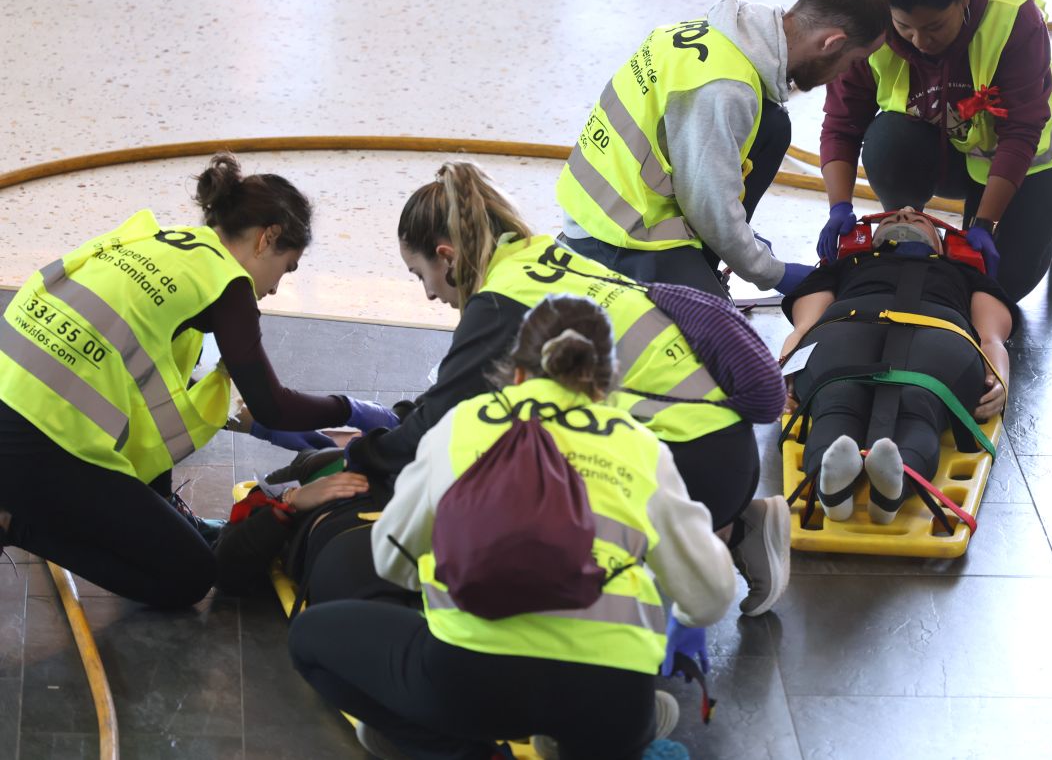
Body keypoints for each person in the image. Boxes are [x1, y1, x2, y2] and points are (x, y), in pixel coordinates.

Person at [289, 295, 735, 760]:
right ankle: (615, 739)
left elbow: (392, 558)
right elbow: (710, 595)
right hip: (609, 690)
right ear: (606, 385)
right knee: (624, 716)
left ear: (517, 371)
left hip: (473, 684)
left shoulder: (462, 425)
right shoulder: (641, 447)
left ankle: (455, 751)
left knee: (311, 641)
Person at [344, 160, 789, 616]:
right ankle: (737, 528)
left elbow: (441, 423)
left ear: (446, 256)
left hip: (691, 462)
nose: (429, 295)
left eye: (421, 275)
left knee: (524, 487)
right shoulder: (539, 254)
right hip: (721, 447)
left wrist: (361, 458)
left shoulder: (501, 301)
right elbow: (455, 391)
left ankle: (666, 582)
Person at [0, 153, 397, 609]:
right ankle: (16, 522)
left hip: (12, 396)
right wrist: (348, 408)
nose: (275, 289)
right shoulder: (227, 284)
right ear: (268, 238)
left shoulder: (160, 243)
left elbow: (171, 387)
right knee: (189, 576)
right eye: (286, 268)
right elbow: (271, 405)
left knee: (158, 505)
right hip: (41, 444)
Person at [556, 0, 891, 298]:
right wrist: (772, 271)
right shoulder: (726, 89)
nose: (842, 75)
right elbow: (708, 207)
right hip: (617, 234)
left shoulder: (723, 35)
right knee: (715, 341)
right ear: (832, 43)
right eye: (852, 61)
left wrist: (743, 239)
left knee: (773, 125)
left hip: (615, 204)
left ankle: (698, 262)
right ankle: (637, 281)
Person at [817, 0, 1052, 303]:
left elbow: (1021, 134)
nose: (919, 42)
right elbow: (842, 124)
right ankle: (909, 227)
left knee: (995, 288)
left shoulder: (1015, 18)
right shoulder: (872, 25)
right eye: (905, 27)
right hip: (947, 150)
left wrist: (984, 224)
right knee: (888, 141)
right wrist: (839, 208)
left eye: (933, 27)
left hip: (1028, 162)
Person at [780, 209, 1013, 522]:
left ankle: (885, 483)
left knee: (917, 402)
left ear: (941, 245)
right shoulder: (843, 266)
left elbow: (991, 337)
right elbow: (804, 326)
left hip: (937, 334)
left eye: (918, 220)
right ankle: (849, 482)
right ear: (871, 240)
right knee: (840, 395)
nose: (904, 217)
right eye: (890, 221)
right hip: (849, 327)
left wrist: (999, 380)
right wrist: (784, 370)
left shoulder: (967, 274)